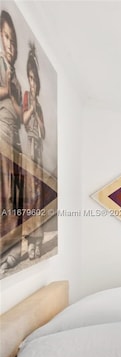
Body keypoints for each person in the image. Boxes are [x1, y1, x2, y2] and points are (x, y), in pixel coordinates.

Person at [0, 9, 23, 273]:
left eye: (13, 39)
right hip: (3, 133)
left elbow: (17, 110)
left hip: (13, 135)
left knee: (15, 195)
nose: (10, 44)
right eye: (6, 37)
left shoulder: (12, 71)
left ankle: (13, 247)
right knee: (6, 193)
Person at [23, 42, 45, 259]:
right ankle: (29, 240)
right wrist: (31, 109)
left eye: (34, 80)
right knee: (29, 194)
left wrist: (38, 115)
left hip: (37, 148)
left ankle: (36, 240)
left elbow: (44, 131)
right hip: (29, 147)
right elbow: (23, 119)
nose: (32, 83)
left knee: (37, 194)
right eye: (30, 79)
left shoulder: (39, 105)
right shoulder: (28, 99)